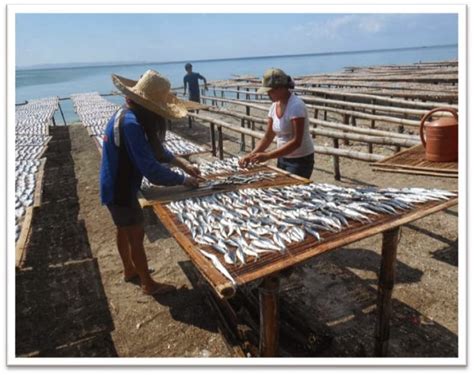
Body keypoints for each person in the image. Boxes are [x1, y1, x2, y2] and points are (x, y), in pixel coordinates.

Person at [100, 69, 202, 296]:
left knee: (123, 229)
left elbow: (156, 150)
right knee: (135, 235)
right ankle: (148, 284)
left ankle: (129, 270)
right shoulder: (131, 124)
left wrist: (182, 163)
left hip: (116, 183)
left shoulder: (129, 115)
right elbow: (152, 171)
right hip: (121, 188)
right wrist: (184, 180)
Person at [239, 68, 315, 179]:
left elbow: (296, 141)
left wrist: (268, 155)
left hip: (300, 160)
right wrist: (251, 155)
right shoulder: (274, 106)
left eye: (270, 91)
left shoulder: (296, 106)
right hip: (282, 157)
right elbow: (268, 137)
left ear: (281, 88)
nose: (268, 94)